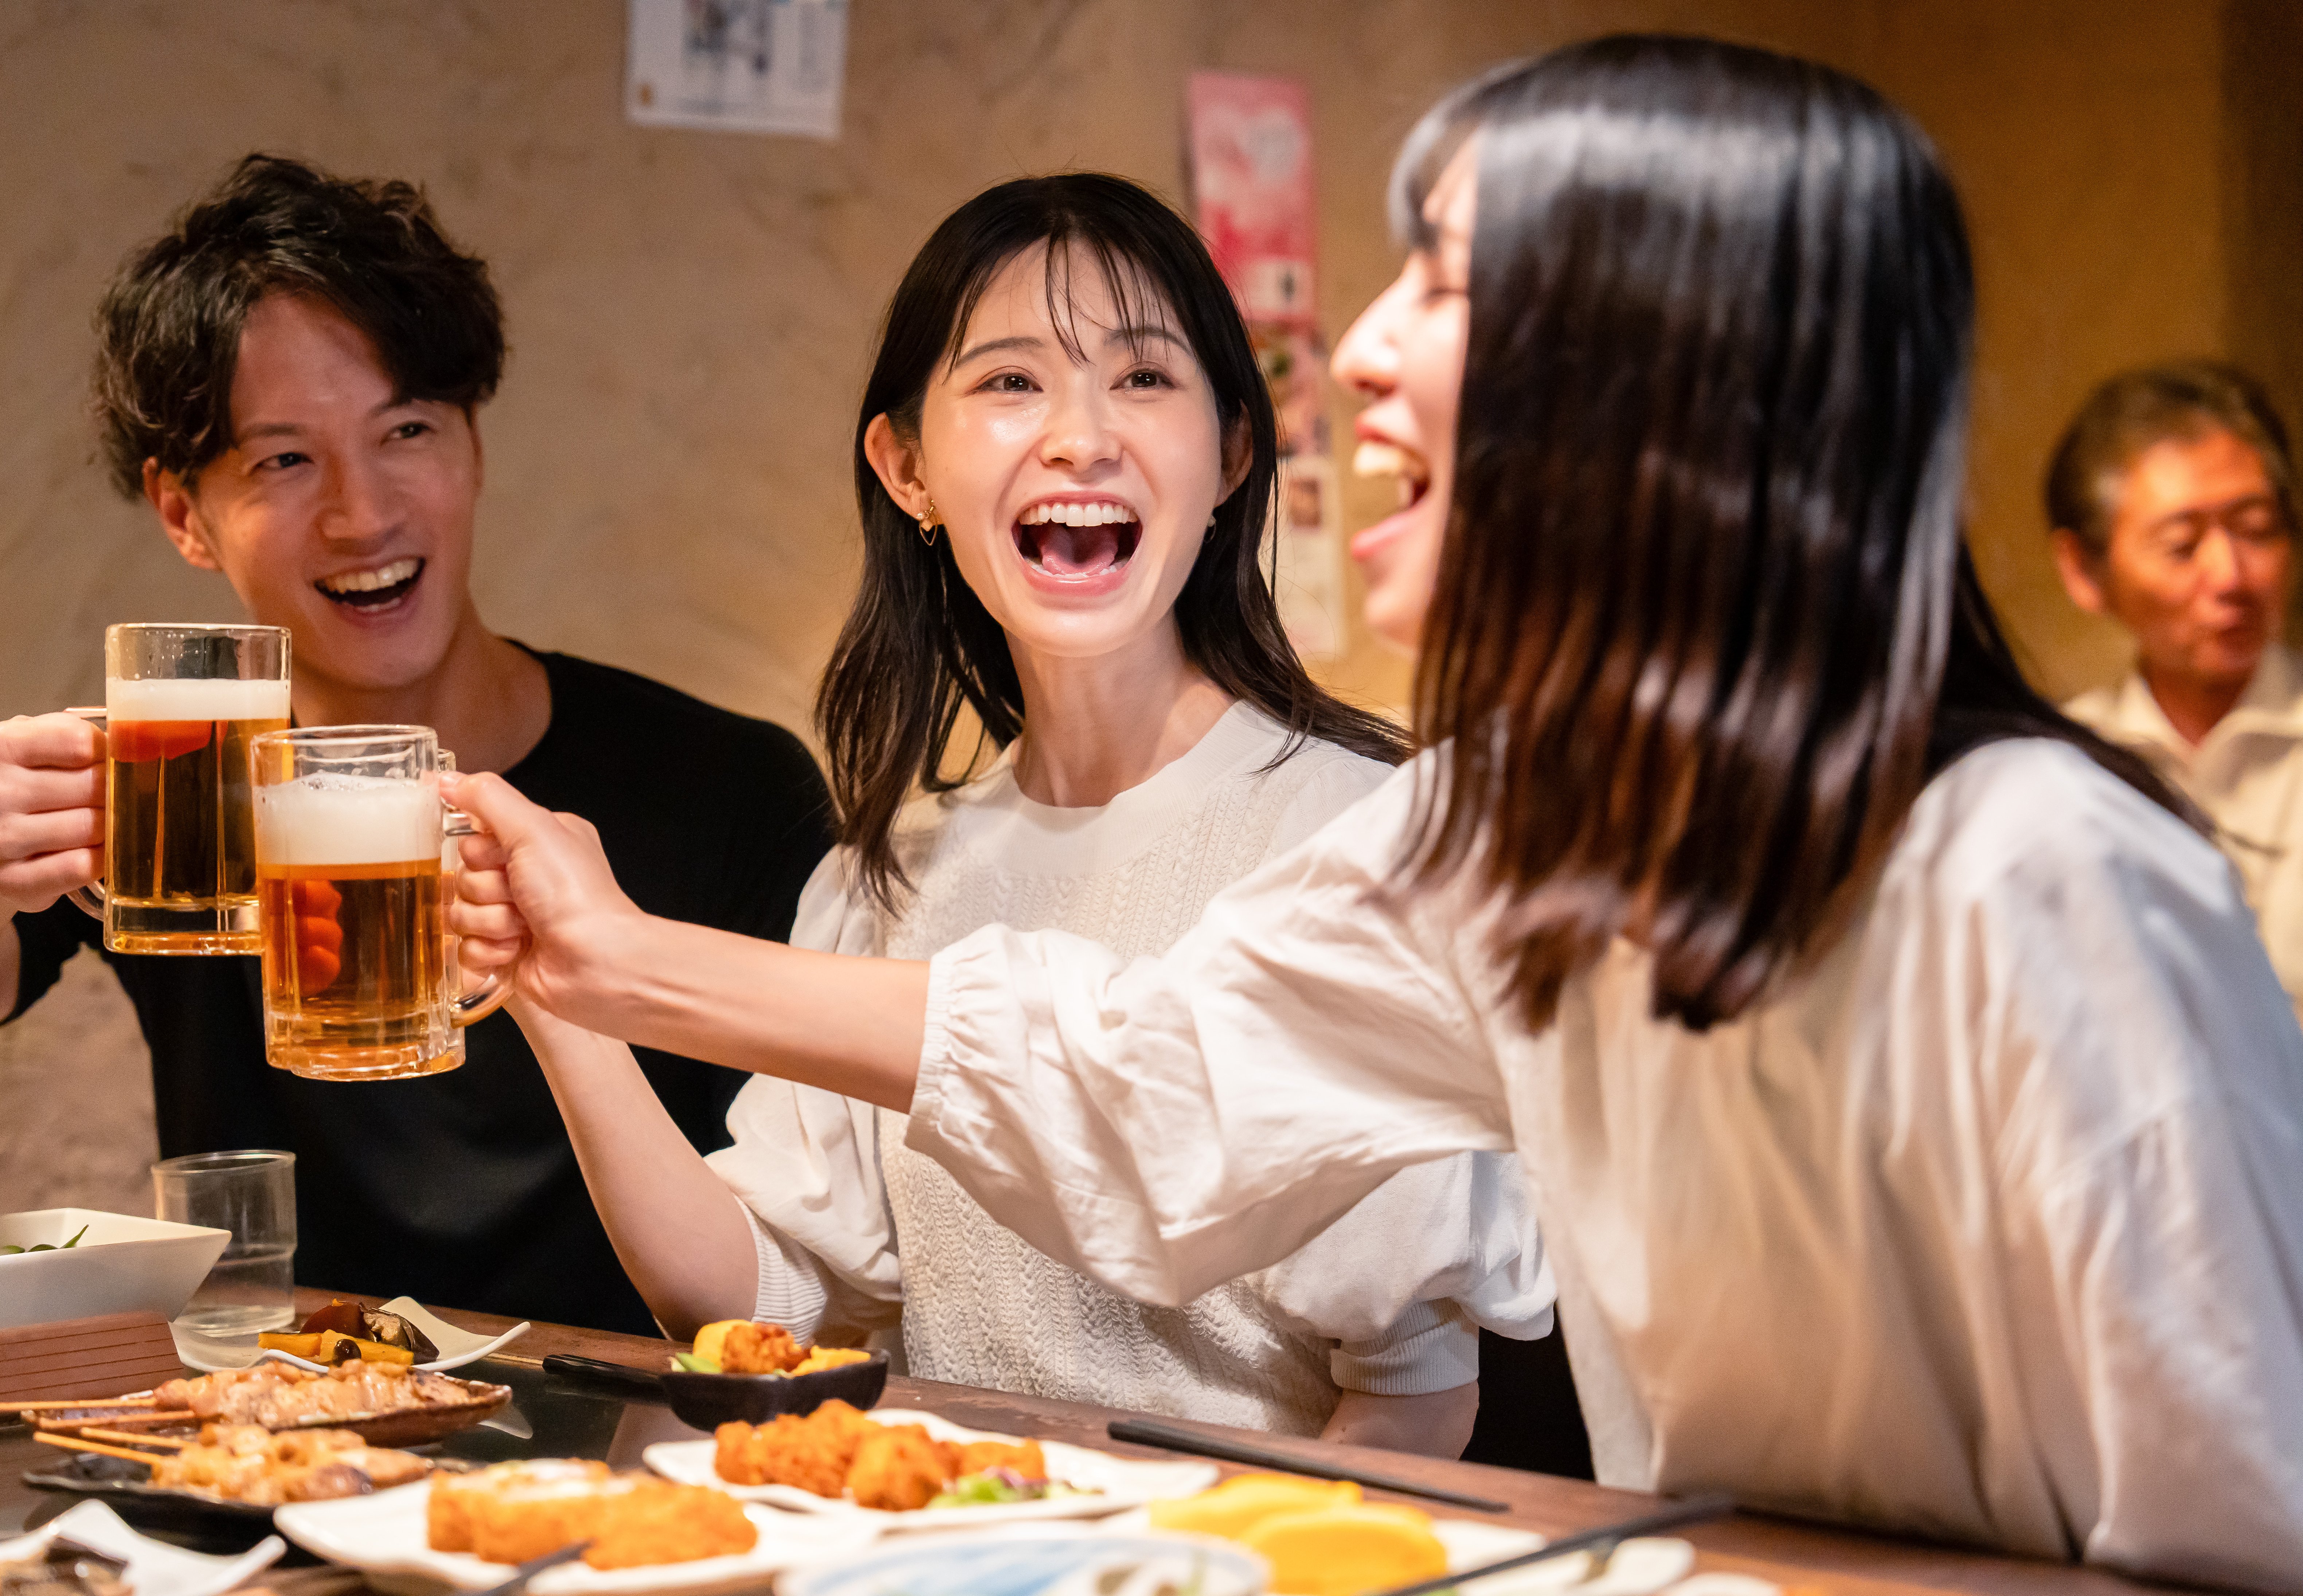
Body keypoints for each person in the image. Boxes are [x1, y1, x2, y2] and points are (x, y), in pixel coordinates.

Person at [437, 36, 2303, 1587]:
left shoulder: (2032, 870)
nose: (1362, 347)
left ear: (1673, 382)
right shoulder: (1520, 836)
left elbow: (2245, 1531)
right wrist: (603, 959)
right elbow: (1137, 1074)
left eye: (1451, 280)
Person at [515, 173, 1552, 1456]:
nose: (1078, 438)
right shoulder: (881, 874)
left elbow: (1409, 1398)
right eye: (1009, 383)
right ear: (906, 469)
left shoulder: (1367, 843)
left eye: (1142, 379)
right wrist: (552, 992)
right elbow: (763, 1302)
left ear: (1232, 453)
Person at [0, 155, 834, 1337]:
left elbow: (820, 1234)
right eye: (283, 459)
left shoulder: (723, 786)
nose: (361, 515)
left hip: (638, 1451)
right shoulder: (178, 793)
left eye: (405, 430)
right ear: (183, 515)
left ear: (472, 448)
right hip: (271, 1432)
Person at [2047, 362, 2303, 1016]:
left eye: (2256, 528)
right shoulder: (2065, 767)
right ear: (2083, 571)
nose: (2230, 576)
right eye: (2182, 544)